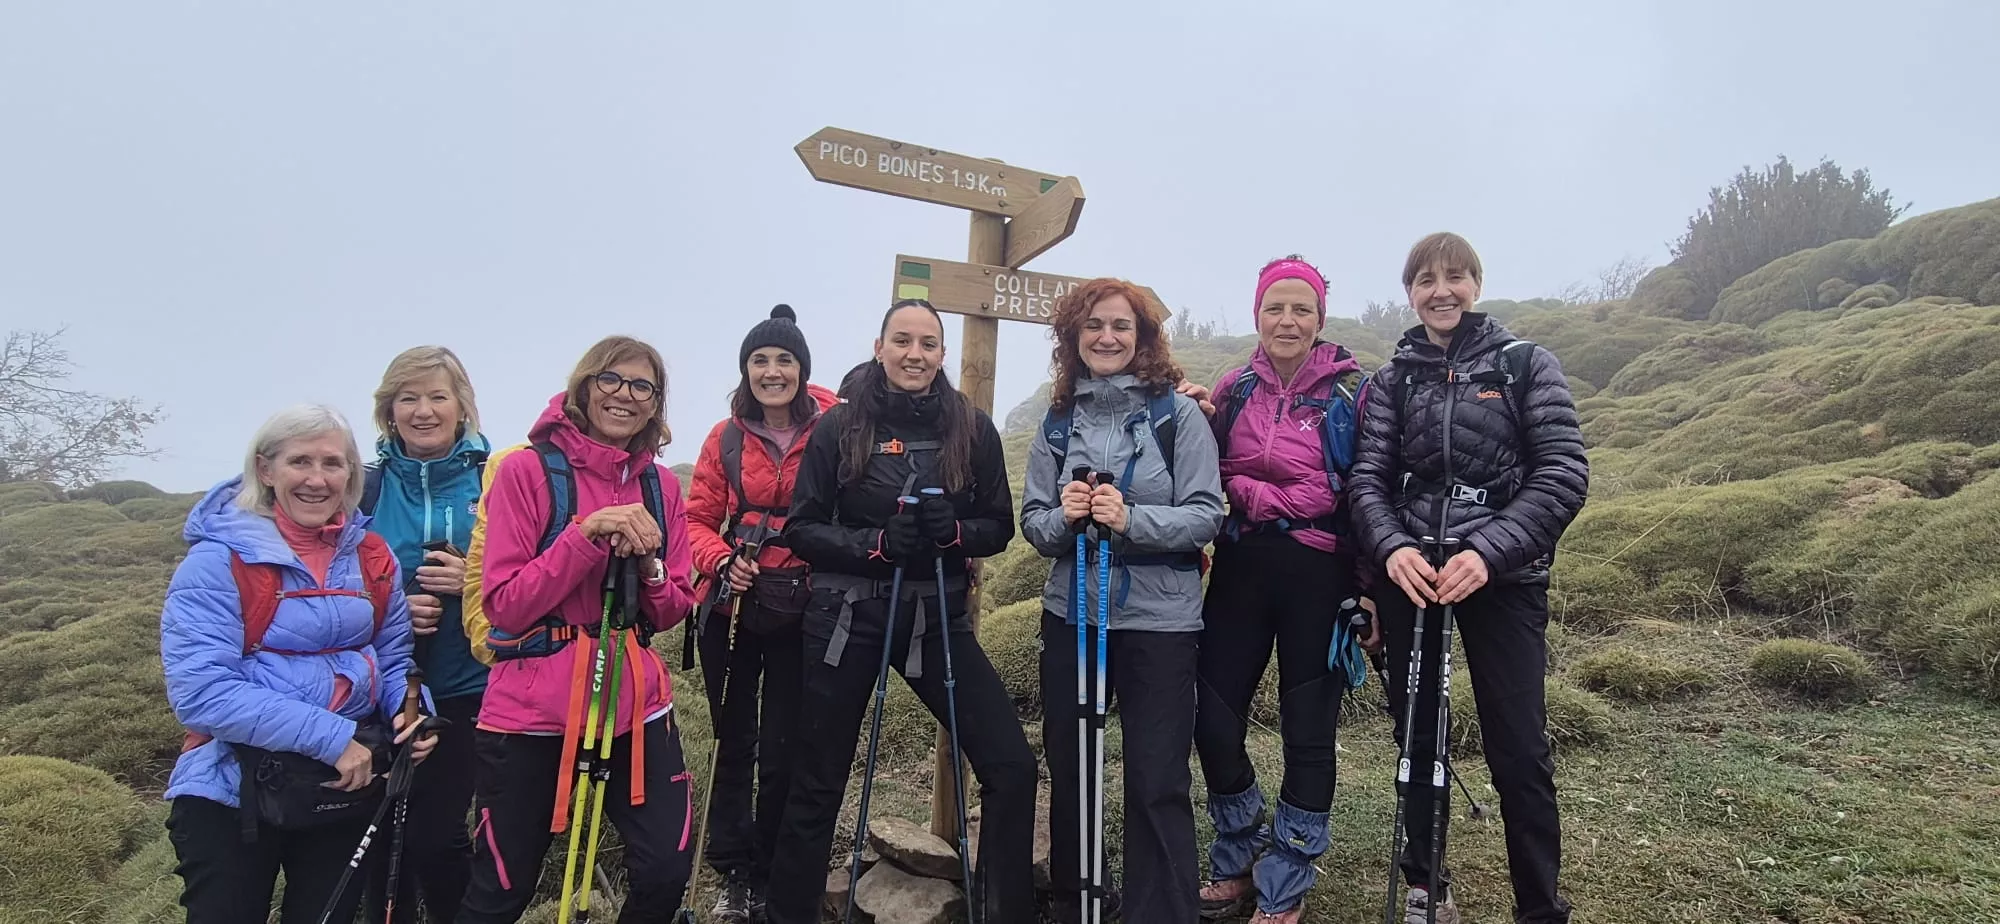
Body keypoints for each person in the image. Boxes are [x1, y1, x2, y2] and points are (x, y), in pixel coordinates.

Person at [764, 299, 1038, 924]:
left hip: (934, 619)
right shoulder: (839, 427)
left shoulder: (971, 427)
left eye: (929, 343)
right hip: (845, 619)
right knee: (816, 782)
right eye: (903, 341)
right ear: (881, 346)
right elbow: (801, 528)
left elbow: (999, 525)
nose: (915, 354)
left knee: (1012, 765)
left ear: (943, 353)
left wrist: (954, 535)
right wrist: (874, 545)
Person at [1349, 233, 1588, 924]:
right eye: (1426, 280)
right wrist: (1391, 548)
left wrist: (1487, 553)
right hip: (1414, 575)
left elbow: (1563, 473)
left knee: (1519, 747)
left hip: (1503, 577)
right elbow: (1367, 477)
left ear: (1476, 285)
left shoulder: (1524, 365)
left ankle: (1540, 907)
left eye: (1454, 277)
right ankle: (1426, 886)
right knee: (1417, 742)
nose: (1440, 291)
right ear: (1410, 292)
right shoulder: (1392, 380)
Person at [456, 335, 700, 924]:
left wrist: (649, 567)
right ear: (583, 386)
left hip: (635, 706)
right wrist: (586, 537)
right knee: (502, 889)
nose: (625, 395)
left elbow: (672, 607)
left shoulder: (661, 487)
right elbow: (507, 606)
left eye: (643, 386)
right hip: (533, 712)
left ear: (656, 404)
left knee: (667, 868)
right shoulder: (525, 470)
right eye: (610, 380)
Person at [160, 404, 435, 924]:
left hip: (341, 787)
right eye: (299, 462)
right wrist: (333, 739)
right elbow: (202, 692)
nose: (317, 479)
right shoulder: (217, 561)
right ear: (265, 470)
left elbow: (394, 657)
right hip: (231, 788)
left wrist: (412, 713)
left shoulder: (373, 557)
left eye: (333, 464)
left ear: (352, 474)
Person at [1179, 256, 1376, 924]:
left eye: (1301, 309)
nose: (1287, 320)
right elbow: (1205, 470)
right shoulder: (1236, 388)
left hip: (1319, 572)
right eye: (1275, 308)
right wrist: (1194, 416)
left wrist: (1369, 592)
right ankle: (1241, 841)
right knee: (1211, 715)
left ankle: (1289, 867)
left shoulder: (1353, 394)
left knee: (1308, 729)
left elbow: (1360, 491)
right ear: (1257, 314)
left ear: (1320, 319)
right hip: (1240, 563)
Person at [1019, 279, 1224, 923]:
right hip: (1073, 613)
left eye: (1122, 327)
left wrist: (1131, 519)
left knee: (1156, 775)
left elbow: (1206, 515)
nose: (1107, 337)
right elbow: (1034, 521)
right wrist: (1066, 516)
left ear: (1143, 339)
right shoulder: (1057, 422)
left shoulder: (1178, 416)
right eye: (1094, 326)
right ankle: (1078, 902)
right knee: (1073, 765)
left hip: (1161, 622)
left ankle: (1158, 911)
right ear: (1074, 338)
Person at [683, 305, 840, 922]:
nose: (772, 372)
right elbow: (695, 520)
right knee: (734, 743)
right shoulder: (723, 438)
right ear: (745, 370)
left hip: (804, 605)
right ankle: (733, 869)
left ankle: (775, 868)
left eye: (784, 360)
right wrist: (722, 562)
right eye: (760, 361)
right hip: (733, 606)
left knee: (784, 746)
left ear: (802, 368)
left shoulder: (833, 427)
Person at [357, 345, 492, 923]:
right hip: (374, 694)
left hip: (469, 688)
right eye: (407, 398)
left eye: (438, 396)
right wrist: (386, 608)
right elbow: (324, 583)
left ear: (462, 407)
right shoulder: (360, 489)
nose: (423, 411)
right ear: (389, 411)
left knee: (438, 837)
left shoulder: (499, 479)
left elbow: (533, 579)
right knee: (379, 839)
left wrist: (473, 582)